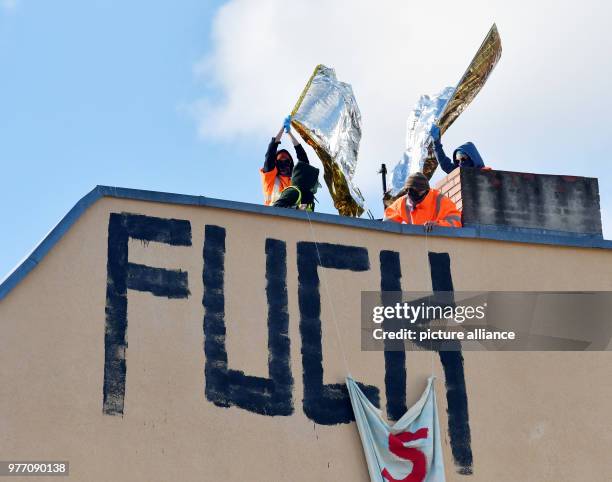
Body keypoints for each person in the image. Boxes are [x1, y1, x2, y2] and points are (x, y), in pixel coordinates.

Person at [383, 172, 462, 231]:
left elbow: (456, 223)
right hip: (417, 245)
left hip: (438, 242)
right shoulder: (402, 203)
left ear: (426, 191)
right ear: (408, 191)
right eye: (412, 191)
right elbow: (386, 226)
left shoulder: (441, 200)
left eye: (419, 191)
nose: (415, 195)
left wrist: (438, 225)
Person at [261, 115, 310, 205]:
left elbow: (304, 161)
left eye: (286, 160)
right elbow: (270, 154)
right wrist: (282, 129)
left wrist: (289, 133)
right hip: (272, 215)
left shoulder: (295, 181)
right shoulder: (270, 180)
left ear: (290, 163)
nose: (284, 163)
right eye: (280, 160)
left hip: (294, 217)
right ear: (276, 163)